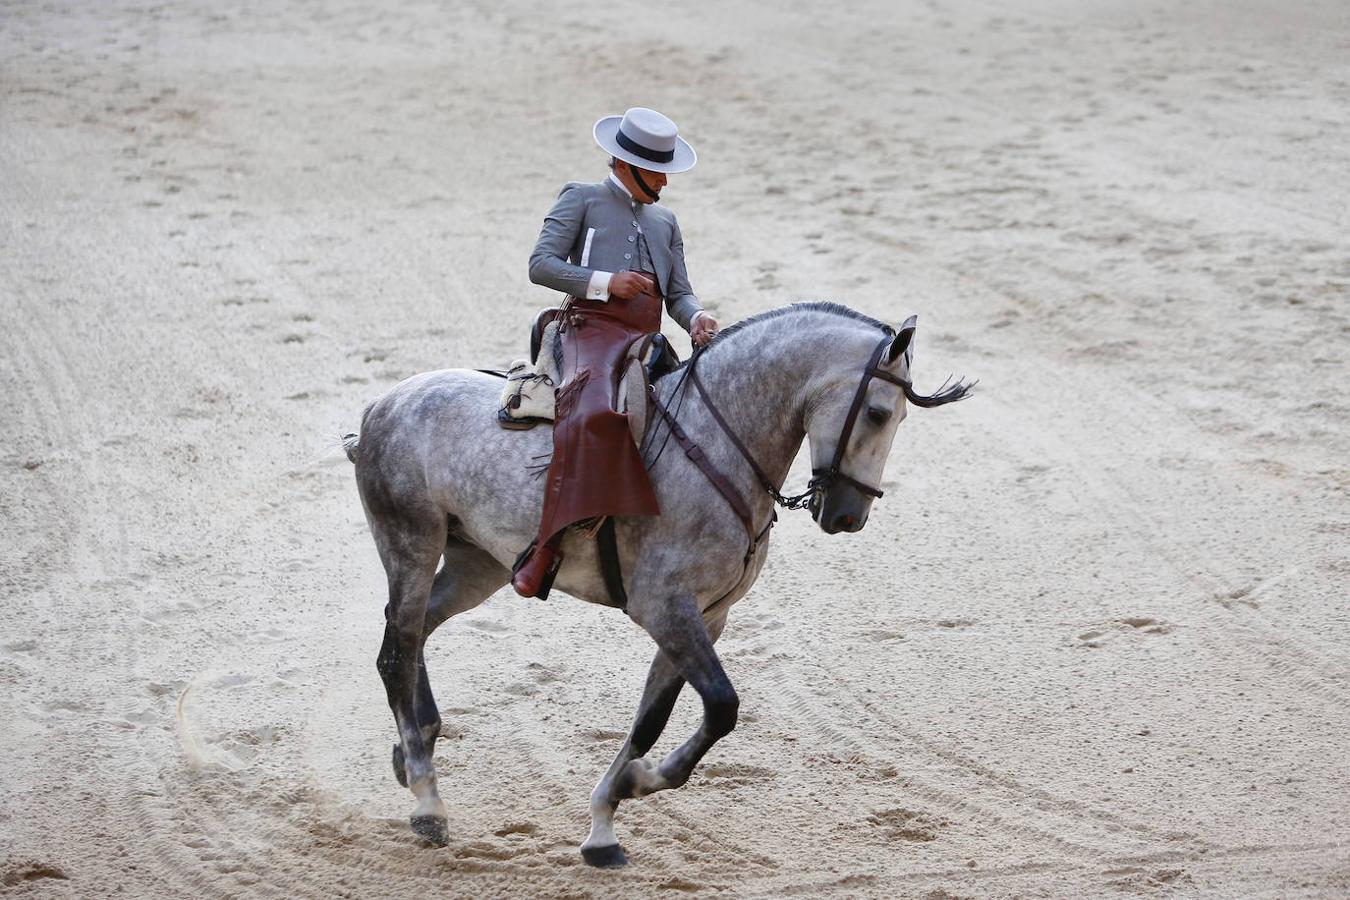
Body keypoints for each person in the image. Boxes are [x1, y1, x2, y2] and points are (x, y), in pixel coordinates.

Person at [512, 107, 719, 598]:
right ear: (627, 164)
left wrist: (696, 318)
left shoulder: (666, 221)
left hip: (645, 340)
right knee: (594, 412)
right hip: (589, 328)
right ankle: (549, 544)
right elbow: (541, 265)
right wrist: (607, 283)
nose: (666, 182)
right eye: (658, 171)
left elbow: (679, 294)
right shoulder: (582, 197)